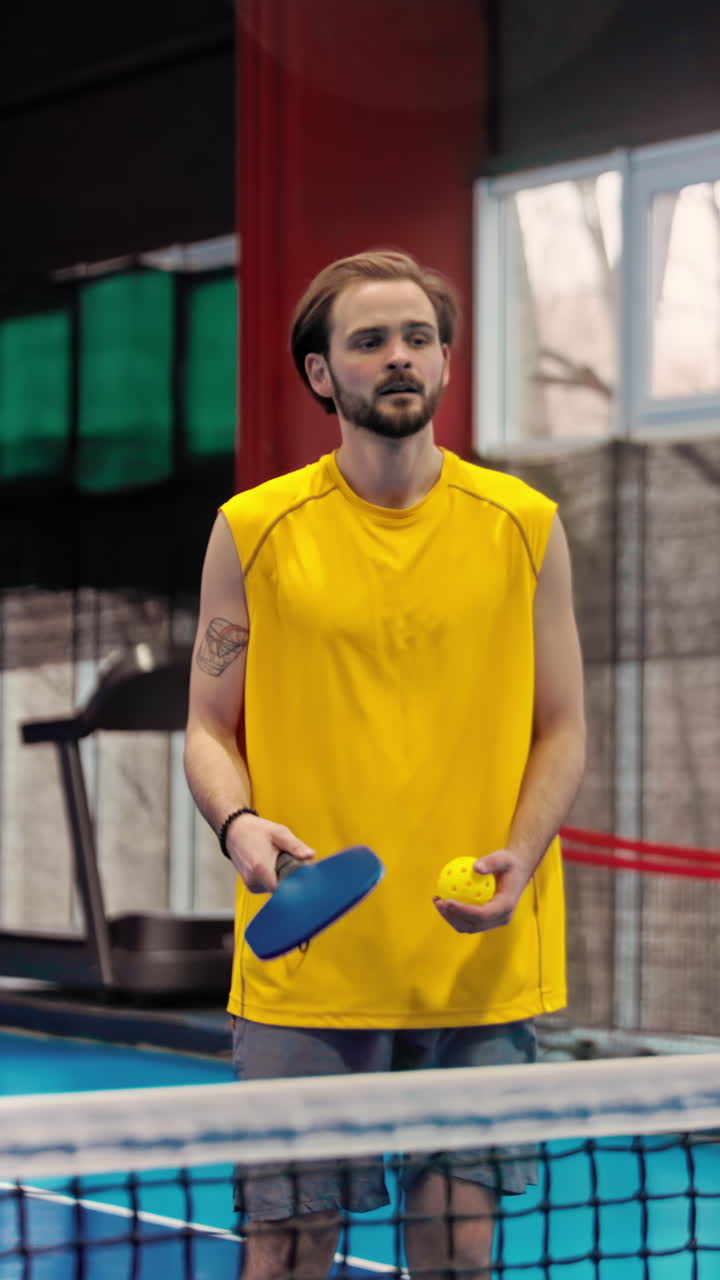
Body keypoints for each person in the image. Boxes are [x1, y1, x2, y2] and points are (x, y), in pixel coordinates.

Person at [184, 249, 586, 1279]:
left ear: (448, 362)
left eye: (418, 337)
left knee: (459, 1253)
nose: (398, 356)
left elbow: (564, 725)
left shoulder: (525, 528)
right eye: (368, 340)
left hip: (478, 966)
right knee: (286, 1249)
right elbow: (207, 724)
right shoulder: (254, 530)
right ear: (322, 374)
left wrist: (523, 856)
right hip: (312, 963)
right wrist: (239, 825)